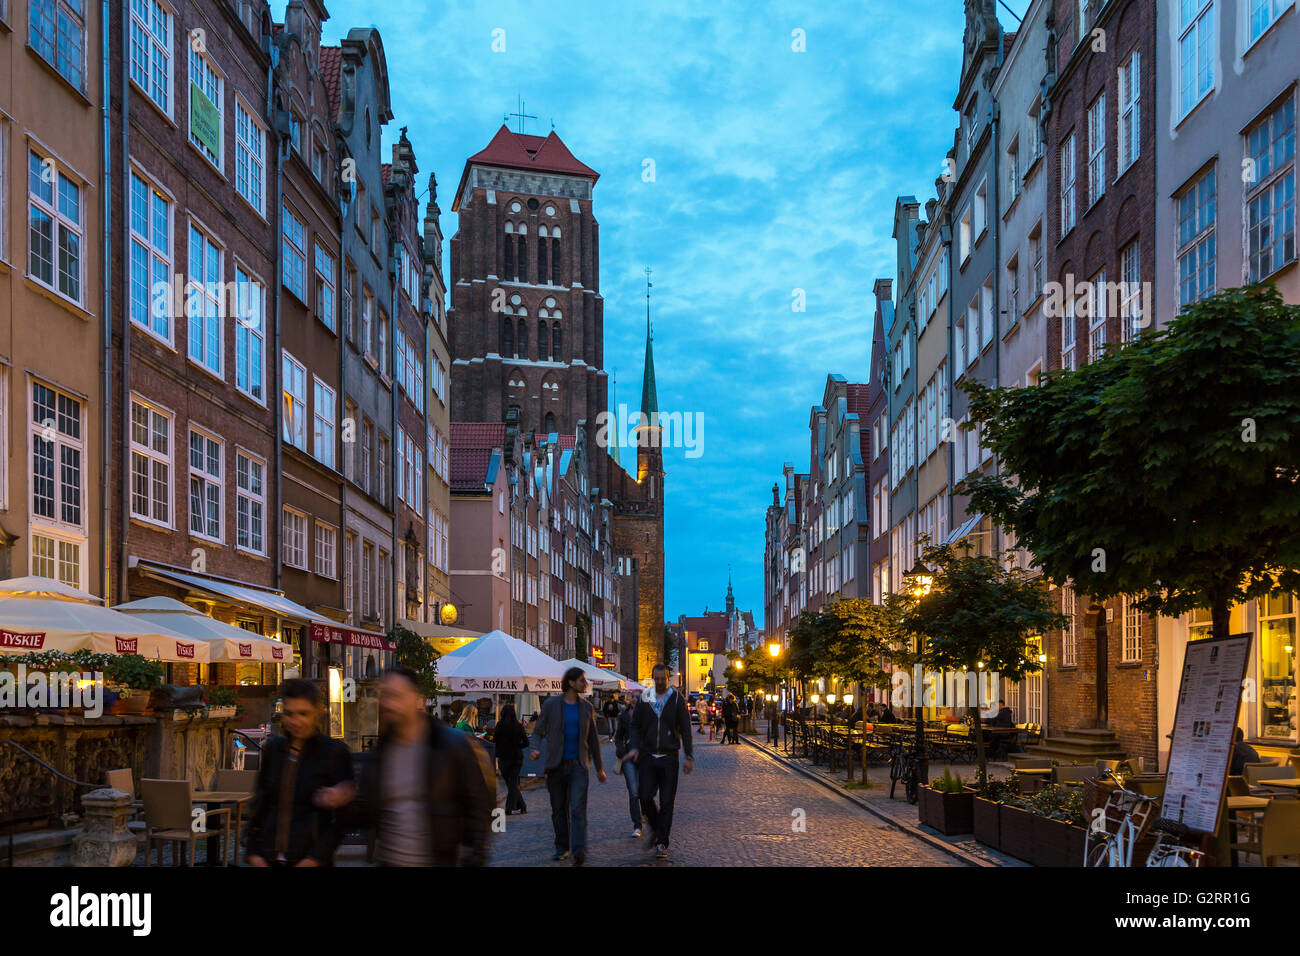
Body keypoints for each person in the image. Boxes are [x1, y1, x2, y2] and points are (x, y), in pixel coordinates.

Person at [345, 668, 494, 866]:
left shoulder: (451, 746)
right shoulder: (381, 753)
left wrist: (475, 854)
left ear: (417, 700)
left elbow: (479, 804)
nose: (388, 704)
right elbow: (365, 815)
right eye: (384, 696)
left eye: (396, 696)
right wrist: (345, 801)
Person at [246, 679, 354, 868]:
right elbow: (260, 804)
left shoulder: (334, 753)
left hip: (310, 860)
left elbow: (342, 821)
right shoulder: (274, 750)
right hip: (269, 860)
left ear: (317, 712)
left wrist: (314, 859)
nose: (295, 721)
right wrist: (253, 852)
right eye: (289, 714)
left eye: (303, 714)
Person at [529, 668, 606, 864]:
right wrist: (535, 749)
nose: (585, 683)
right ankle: (561, 846)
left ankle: (578, 850)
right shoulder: (551, 705)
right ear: (571, 683)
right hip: (556, 766)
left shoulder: (587, 708)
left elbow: (593, 740)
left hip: (579, 766)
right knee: (558, 810)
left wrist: (599, 767)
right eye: (582, 680)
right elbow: (538, 732)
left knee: (578, 809)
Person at [624, 663, 695, 859]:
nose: (660, 682)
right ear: (653, 678)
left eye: (663, 678)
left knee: (667, 802)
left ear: (668, 678)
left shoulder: (676, 699)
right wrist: (635, 747)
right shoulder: (645, 698)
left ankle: (662, 842)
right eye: (657, 679)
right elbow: (635, 725)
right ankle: (656, 828)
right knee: (644, 796)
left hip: (669, 757)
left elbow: (686, 728)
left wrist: (688, 755)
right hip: (647, 756)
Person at [614, 690, 644, 837]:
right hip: (628, 758)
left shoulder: (648, 715)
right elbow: (618, 736)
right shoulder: (624, 715)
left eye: (637, 697)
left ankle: (645, 813)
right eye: (632, 697)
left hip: (644, 758)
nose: (634, 699)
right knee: (633, 791)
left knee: (645, 791)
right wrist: (620, 749)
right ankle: (637, 825)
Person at [494, 703, 532, 815]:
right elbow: (527, 742)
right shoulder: (518, 726)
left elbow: (495, 740)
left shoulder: (499, 725)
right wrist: (517, 746)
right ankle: (522, 806)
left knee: (510, 783)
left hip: (504, 758)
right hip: (517, 758)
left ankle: (509, 808)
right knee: (512, 783)